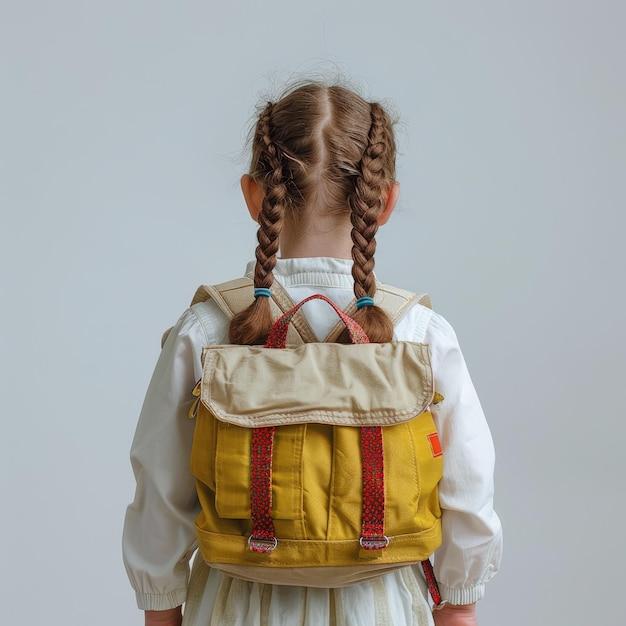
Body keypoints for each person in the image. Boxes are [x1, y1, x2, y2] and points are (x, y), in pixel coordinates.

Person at [122, 81, 502, 626]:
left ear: (255, 196)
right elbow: (468, 487)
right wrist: (459, 605)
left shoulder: (206, 331)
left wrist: (161, 606)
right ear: (385, 200)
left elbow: (159, 489)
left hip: (235, 605)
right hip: (381, 605)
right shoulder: (419, 332)